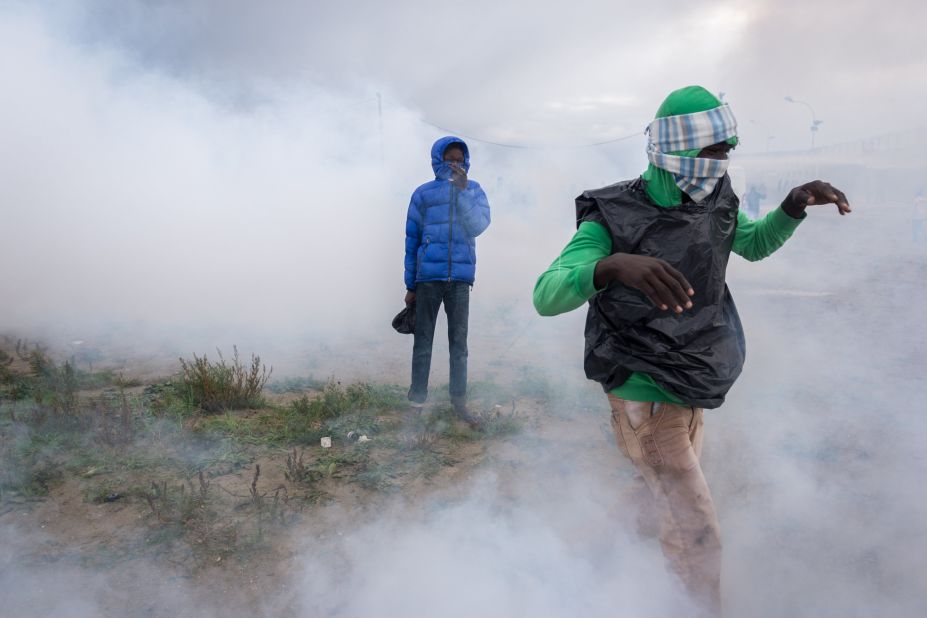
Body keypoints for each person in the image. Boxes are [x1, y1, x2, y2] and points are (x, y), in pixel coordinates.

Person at [533, 86, 850, 616]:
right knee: (696, 529)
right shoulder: (612, 215)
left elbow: (749, 243)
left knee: (658, 493)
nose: (723, 162)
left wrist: (792, 208)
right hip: (642, 392)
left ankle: (584, 555)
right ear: (676, 153)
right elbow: (547, 293)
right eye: (713, 152)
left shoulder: (714, 199)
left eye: (728, 150)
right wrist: (611, 266)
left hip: (690, 380)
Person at [404, 136, 491, 426]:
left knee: (459, 344)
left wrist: (463, 192)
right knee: (423, 342)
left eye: (459, 159)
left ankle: (459, 402)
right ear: (438, 160)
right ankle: (416, 401)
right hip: (428, 277)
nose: (455, 164)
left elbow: (478, 226)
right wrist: (410, 285)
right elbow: (412, 240)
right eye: (449, 158)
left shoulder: (474, 190)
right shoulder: (423, 194)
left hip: (460, 280)